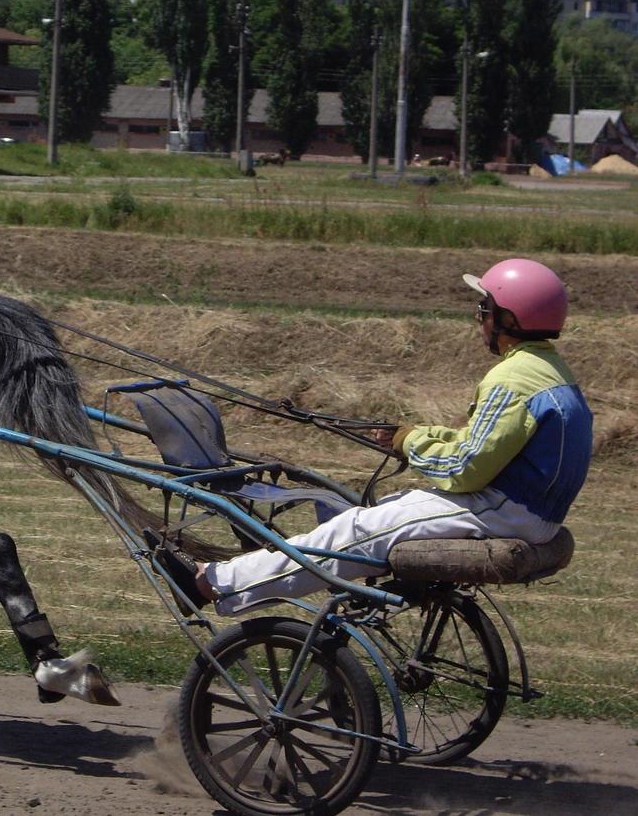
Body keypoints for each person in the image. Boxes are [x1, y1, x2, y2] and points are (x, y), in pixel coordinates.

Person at [151, 258, 593, 616]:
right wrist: (413, 435)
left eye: (485, 309)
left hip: (501, 511)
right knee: (385, 511)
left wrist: (411, 445)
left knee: (355, 530)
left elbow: (464, 469)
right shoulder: (554, 375)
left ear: (509, 318)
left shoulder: (511, 379)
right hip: (523, 510)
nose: (479, 318)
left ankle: (211, 583)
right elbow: (484, 444)